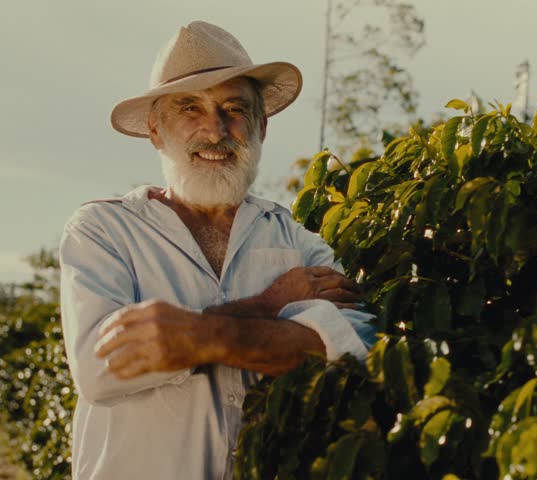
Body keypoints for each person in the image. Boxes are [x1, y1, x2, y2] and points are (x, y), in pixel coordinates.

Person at [58, 21, 375, 479]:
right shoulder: (103, 230)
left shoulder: (298, 241)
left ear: (261, 125)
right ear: (155, 129)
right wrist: (269, 306)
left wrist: (193, 336)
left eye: (234, 108)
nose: (215, 130)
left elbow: (348, 352)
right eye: (190, 108)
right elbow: (100, 369)